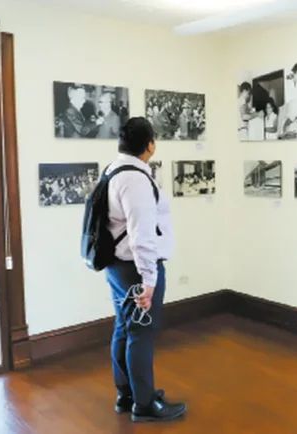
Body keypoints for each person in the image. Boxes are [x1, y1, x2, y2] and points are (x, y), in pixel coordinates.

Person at [104, 117, 186, 423]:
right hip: (135, 268)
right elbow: (142, 236)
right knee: (141, 332)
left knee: (125, 327)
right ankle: (144, 404)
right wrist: (149, 280)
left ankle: (128, 394)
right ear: (149, 145)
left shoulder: (113, 170)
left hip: (116, 265)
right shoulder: (136, 180)